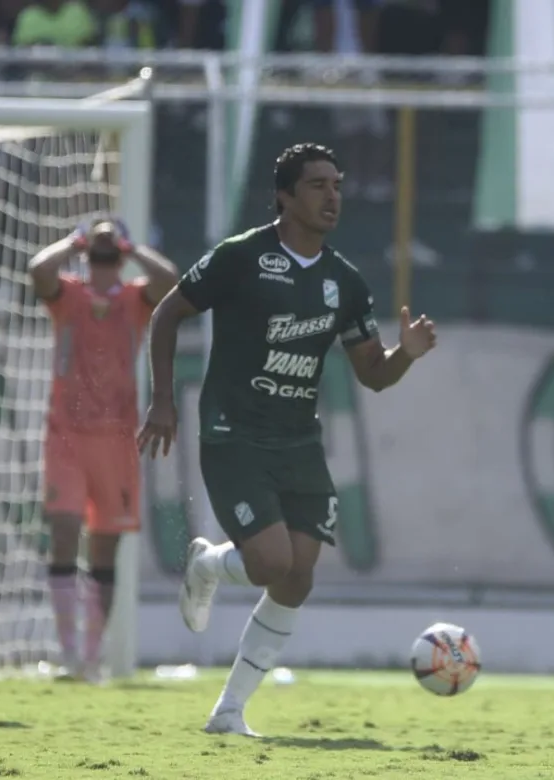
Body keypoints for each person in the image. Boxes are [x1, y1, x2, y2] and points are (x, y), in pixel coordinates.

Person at [137, 142, 437, 735]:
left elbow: (372, 375)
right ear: (284, 196)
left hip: (299, 441)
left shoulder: (343, 282)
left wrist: (407, 352)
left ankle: (229, 711)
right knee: (273, 562)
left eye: (338, 185)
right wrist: (165, 398)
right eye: (318, 185)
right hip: (234, 432)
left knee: (298, 576)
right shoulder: (242, 257)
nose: (333, 196)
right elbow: (166, 314)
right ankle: (210, 564)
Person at [29, 217, 177, 682]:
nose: (104, 262)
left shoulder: (135, 300)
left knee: (105, 551)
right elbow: (38, 271)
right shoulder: (69, 295)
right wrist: (76, 241)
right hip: (67, 434)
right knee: (66, 528)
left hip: (117, 440)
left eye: (110, 256)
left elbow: (170, 280)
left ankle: (91, 656)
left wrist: (131, 247)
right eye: (99, 255)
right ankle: (68, 650)